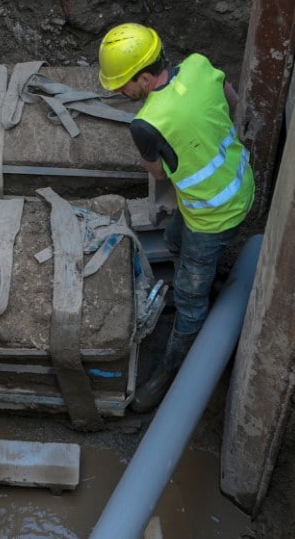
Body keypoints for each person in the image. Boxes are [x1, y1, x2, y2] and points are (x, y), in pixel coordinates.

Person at [97, 23, 254, 412]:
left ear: (146, 78)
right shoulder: (200, 65)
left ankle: (171, 369)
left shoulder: (147, 124)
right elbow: (231, 100)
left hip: (214, 216)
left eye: (122, 85)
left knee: (189, 299)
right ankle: (201, 278)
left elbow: (160, 174)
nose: (119, 93)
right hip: (240, 181)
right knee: (172, 241)